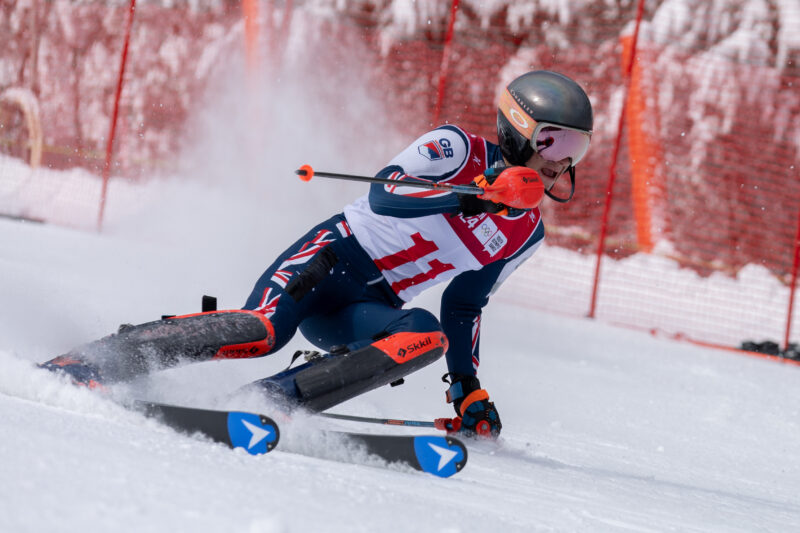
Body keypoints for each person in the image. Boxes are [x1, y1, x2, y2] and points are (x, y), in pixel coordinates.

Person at [41, 70, 593, 439]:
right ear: (518, 130)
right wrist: (471, 196)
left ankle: (260, 404)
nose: (562, 164)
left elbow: (465, 307)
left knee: (424, 333)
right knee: (263, 331)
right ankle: (93, 360)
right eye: (555, 143)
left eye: (576, 150)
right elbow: (386, 190)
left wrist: (467, 388)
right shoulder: (454, 148)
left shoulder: (526, 234)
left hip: (364, 307)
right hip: (330, 259)